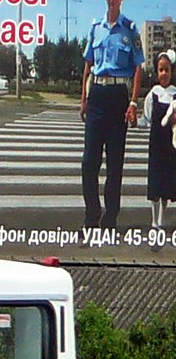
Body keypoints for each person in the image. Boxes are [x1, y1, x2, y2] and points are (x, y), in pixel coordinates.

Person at [80, 0, 144, 231]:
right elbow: (88, 63)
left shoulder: (130, 28)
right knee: (89, 162)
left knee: (114, 163)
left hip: (118, 96)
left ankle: (110, 219)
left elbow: (138, 67)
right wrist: (83, 99)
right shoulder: (96, 26)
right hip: (97, 93)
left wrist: (134, 102)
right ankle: (91, 215)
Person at [144, 51, 176, 250]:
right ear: (157, 72)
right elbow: (146, 119)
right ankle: (153, 222)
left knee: (166, 185)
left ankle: (161, 222)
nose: (164, 73)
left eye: (167, 70)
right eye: (160, 70)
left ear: (172, 71)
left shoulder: (175, 93)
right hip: (156, 143)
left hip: (170, 146)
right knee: (155, 184)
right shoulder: (152, 94)